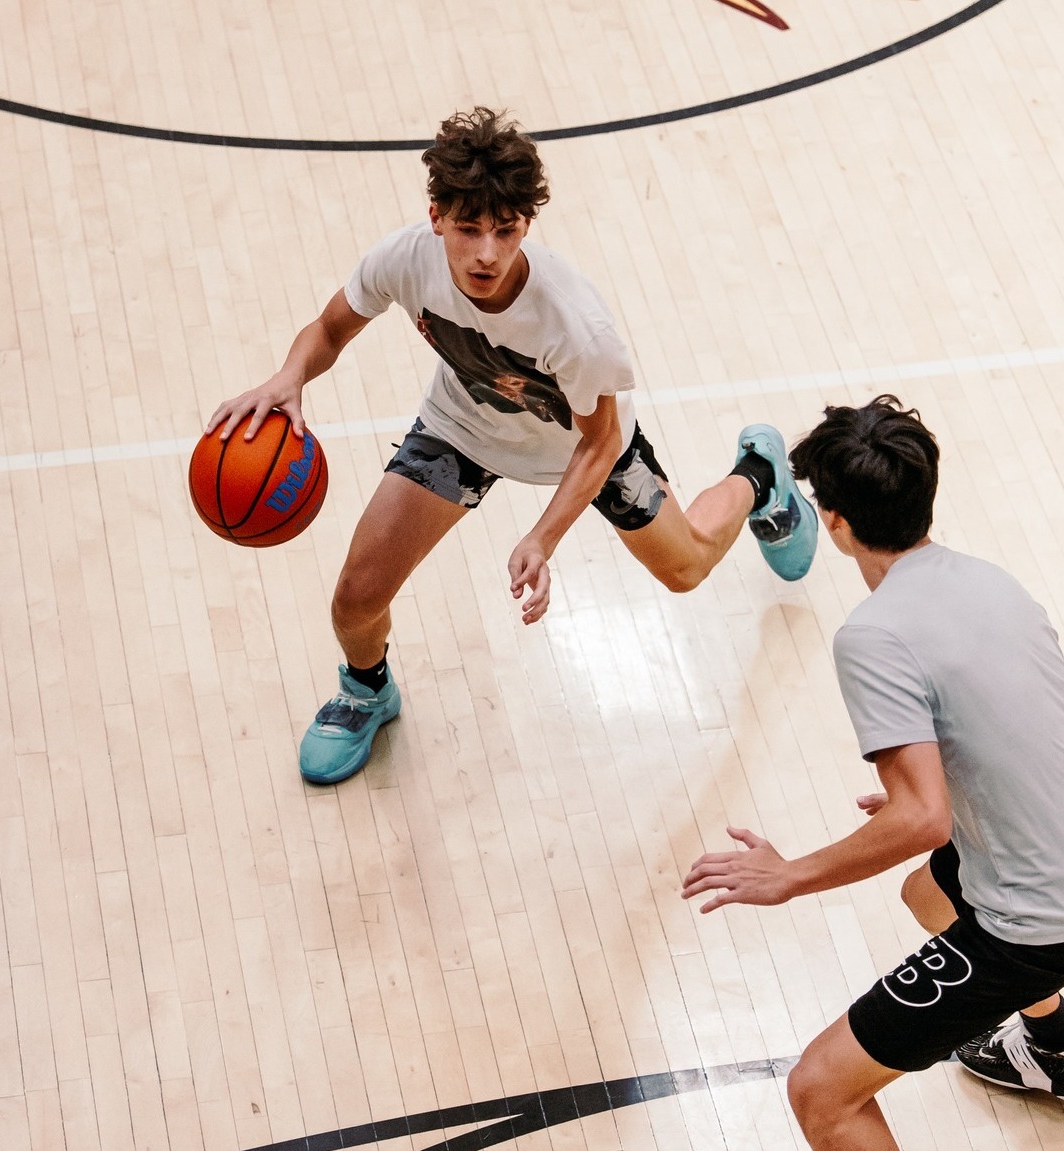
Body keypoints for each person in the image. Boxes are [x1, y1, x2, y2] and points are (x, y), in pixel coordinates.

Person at [681, 395, 1064, 1151]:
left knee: (823, 1090)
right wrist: (945, 803)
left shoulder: (876, 634)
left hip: (1045, 921)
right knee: (930, 894)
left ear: (837, 524)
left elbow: (921, 815)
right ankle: (1060, 1047)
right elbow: (991, 753)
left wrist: (788, 876)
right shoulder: (988, 581)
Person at [207, 107, 816, 784]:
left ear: (527, 223)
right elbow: (329, 327)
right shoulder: (405, 258)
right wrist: (288, 378)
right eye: (468, 229)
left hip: (578, 453)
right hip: (460, 428)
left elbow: (599, 442)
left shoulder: (576, 325)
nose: (487, 252)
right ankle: (366, 690)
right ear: (436, 215)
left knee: (687, 568)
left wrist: (542, 536)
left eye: (506, 230)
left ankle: (760, 476)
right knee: (355, 594)